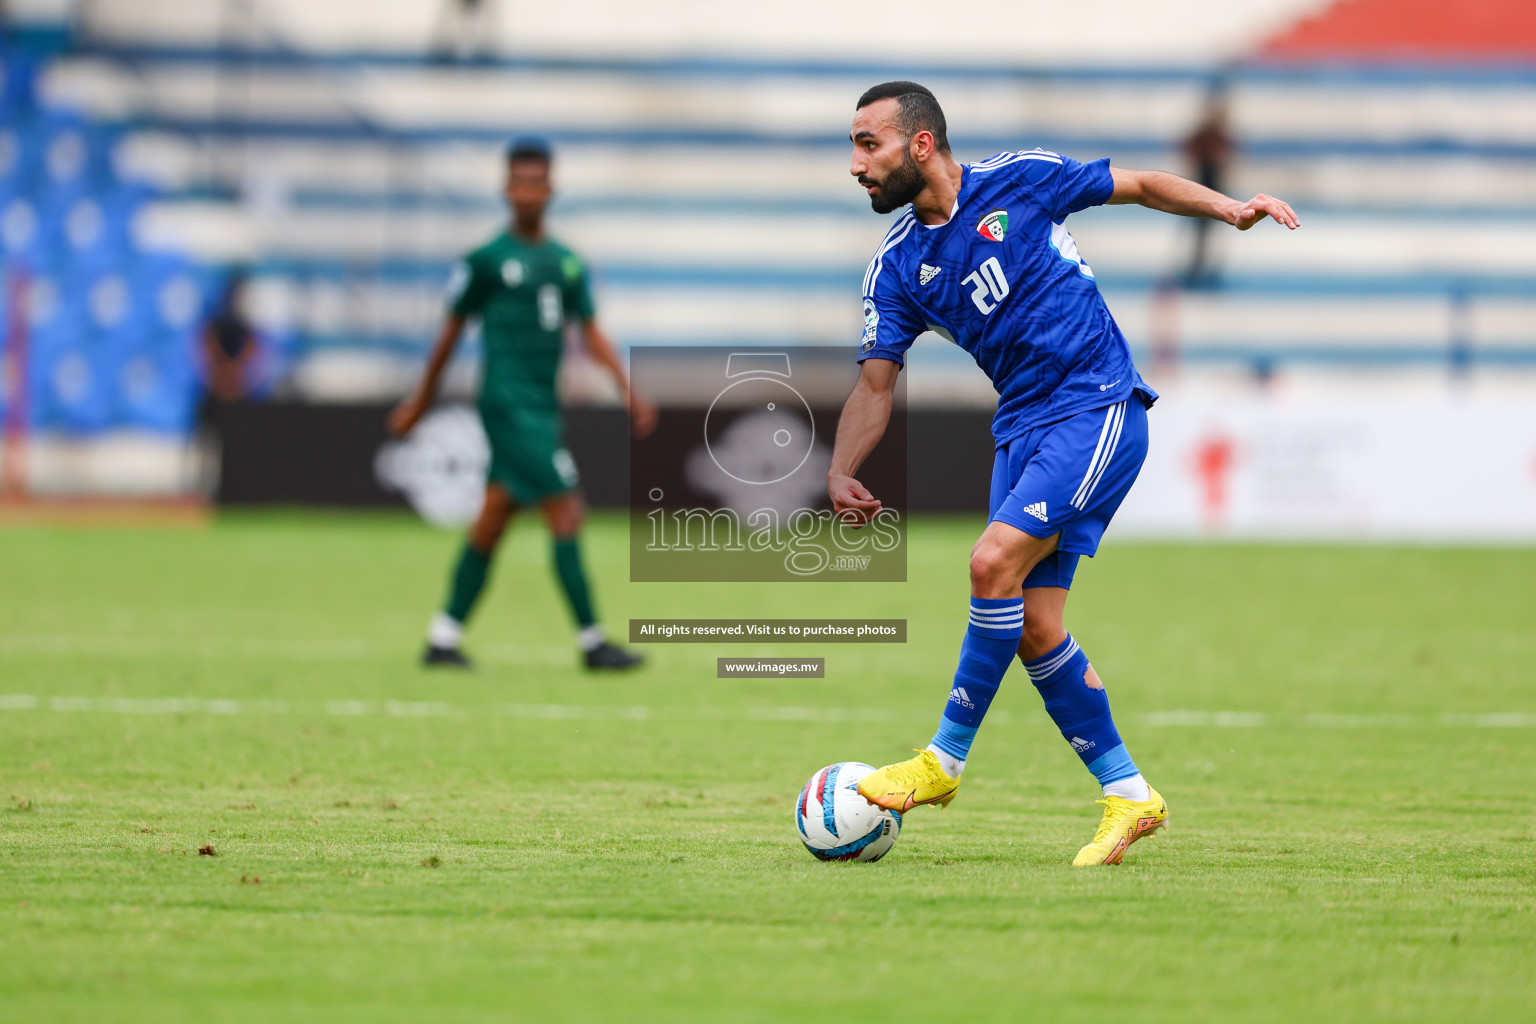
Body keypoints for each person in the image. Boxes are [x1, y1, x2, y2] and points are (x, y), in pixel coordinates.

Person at [829, 82, 1297, 865]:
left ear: (919, 144)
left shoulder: (1022, 178)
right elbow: (875, 385)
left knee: (989, 564)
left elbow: (1141, 185)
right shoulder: (899, 266)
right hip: (1022, 428)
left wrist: (1229, 209)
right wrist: (842, 467)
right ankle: (1130, 795)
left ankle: (941, 765)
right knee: (1034, 627)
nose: (854, 165)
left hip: (1097, 404)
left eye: (867, 144)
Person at [389, 136, 654, 671]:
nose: (528, 193)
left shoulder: (566, 264)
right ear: (506, 189)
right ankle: (591, 642)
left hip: (541, 405)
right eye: (520, 183)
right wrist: (421, 400)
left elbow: (591, 333)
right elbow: (449, 333)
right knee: (566, 507)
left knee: (494, 515)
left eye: (537, 183)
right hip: (507, 405)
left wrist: (626, 390)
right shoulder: (486, 261)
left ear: (550, 189)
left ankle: (443, 638)